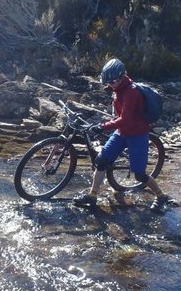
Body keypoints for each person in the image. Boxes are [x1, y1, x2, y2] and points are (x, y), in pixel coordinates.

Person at [73, 58, 171, 212]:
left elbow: (125, 119)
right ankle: (92, 196)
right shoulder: (117, 89)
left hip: (137, 134)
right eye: (107, 82)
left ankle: (161, 195)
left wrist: (102, 126)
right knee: (101, 160)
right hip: (122, 132)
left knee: (139, 175)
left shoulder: (132, 92)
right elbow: (120, 117)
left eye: (111, 82)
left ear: (120, 78)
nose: (109, 85)